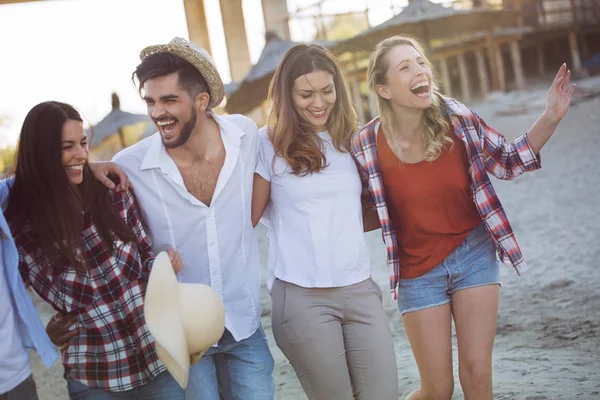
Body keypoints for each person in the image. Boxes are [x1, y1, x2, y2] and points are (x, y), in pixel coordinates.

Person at [352, 35, 575, 400]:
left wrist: (550, 116)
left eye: (421, 62)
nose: (420, 70)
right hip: (416, 271)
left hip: (473, 254)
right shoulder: (365, 145)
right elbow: (356, 208)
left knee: (477, 377)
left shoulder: (456, 117)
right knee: (437, 390)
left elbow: (506, 160)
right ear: (383, 89)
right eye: (405, 67)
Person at [111, 37, 275, 399]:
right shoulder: (129, 166)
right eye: (151, 102)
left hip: (244, 326)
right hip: (181, 337)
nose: (158, 113)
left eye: (169, 100)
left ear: (202, 101)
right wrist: (86, 168)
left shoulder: (244, 135)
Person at [5, 101, 185, 399]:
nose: (81, 155)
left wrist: (164, 265)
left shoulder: (112, 191)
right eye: (67, 146)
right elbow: (10, 301)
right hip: (94, 375)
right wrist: (41, 335)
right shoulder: (21, 231)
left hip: (159, 360)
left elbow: (144, 255)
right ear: (41, 153)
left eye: (82, 143)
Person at [251, 44, 398, 399]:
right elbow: (245, 218)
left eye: (327, 91)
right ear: (287, 95)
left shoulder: (354, 140)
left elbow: (365, 209)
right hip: (301, 297)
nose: (319, 102)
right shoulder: (266, 143)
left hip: (360, 289)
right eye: (306, 93)